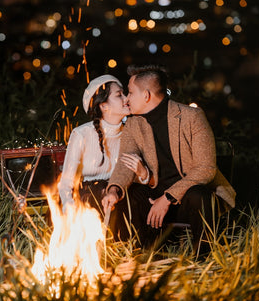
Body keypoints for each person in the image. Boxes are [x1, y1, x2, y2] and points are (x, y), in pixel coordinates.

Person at [101, 65, 236, 256]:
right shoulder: (133, 123)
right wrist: (114, 190)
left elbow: (206, 169)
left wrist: (167, 198)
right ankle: (141, 256)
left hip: (187, 199)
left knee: (200, 195)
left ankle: (203, 259)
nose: (127, 99)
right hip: (153, 196)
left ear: (146, 95)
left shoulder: (191, 117)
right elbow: (125, 163)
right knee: (128, 196)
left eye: (130, 93)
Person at [58, 75, 147, 241]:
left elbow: (137, 177)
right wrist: (69, 210)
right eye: (119, 95)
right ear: (104, 105)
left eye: (125, 93)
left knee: (136, 197)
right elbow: (66, 183)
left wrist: (142, 173)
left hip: (121, 191)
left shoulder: (131, 132)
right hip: (89, 194)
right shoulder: (82, 134)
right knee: (105, 197)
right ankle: (105, 251)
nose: (126, 98)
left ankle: (137, 252)